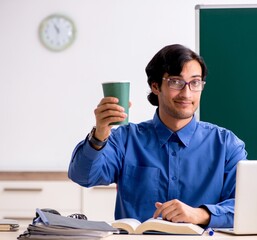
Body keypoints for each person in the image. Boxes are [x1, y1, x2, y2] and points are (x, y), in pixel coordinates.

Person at [68, 44, 247, 228]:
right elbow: (83, 176)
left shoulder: (226, 145)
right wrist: (100, 133)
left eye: (195, 82)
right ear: (155, 86)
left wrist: (200, 214)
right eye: (176, 82)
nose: (186, 93)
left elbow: (247, 208)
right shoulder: (126, 139)